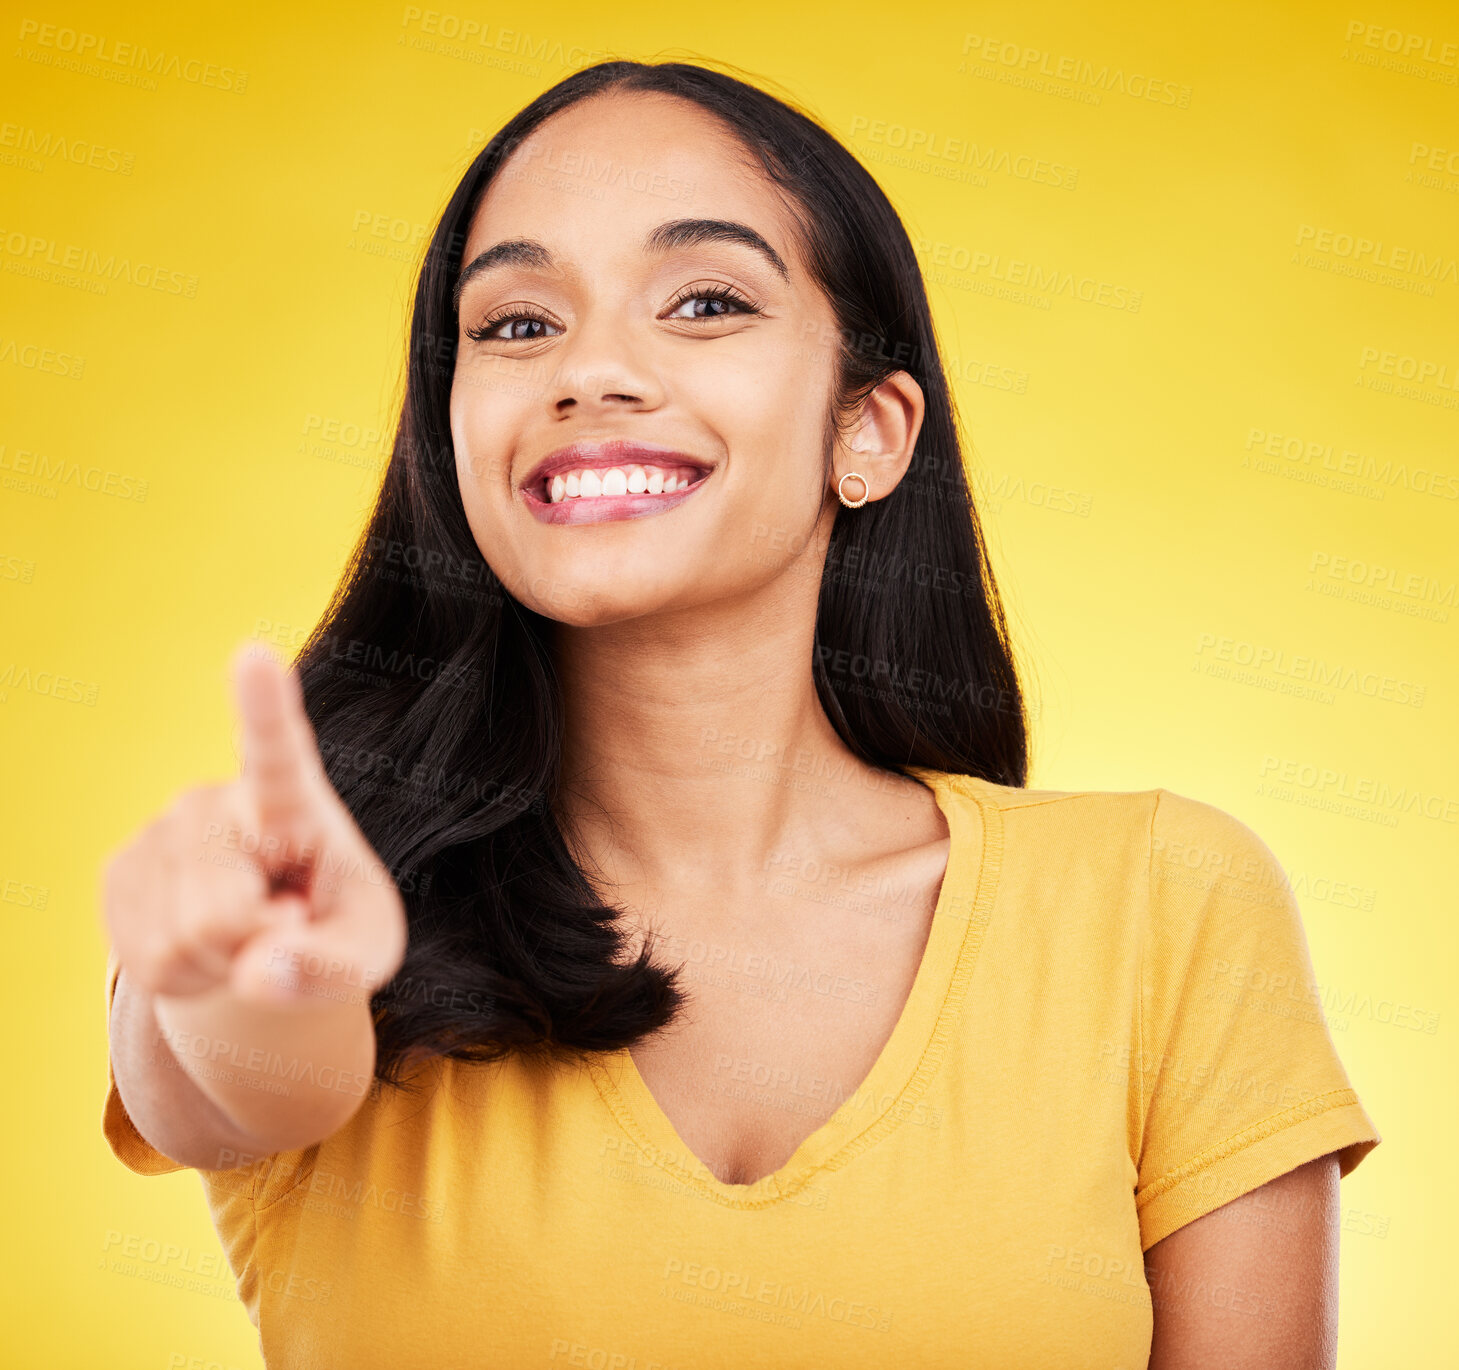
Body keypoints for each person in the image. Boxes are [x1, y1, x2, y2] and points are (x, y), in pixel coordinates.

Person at [101, 59, 1380, 1368]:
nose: (591, 369)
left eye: (705, 301)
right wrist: (264, 984)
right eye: (517, 324)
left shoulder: (1166, 907)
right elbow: (232, 1074)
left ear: (868, 432)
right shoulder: (293, 903)